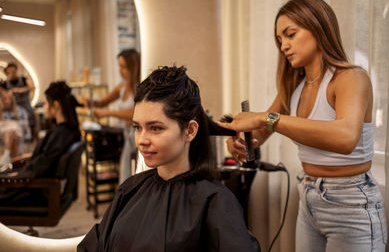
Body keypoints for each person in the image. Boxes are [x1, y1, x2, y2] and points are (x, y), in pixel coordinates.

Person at [220, 0, 387, 252]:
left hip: (351, 203)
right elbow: (259, 134)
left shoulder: (351, 78)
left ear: (318, 27)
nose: (284, 46)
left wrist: (265, 117)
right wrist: (240, 143)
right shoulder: (293, 87)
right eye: (280, 40)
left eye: (290, 34)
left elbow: (345, 138)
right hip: (309, 199)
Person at [77, 66, 260, 252]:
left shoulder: (215, 202)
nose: (142, 140)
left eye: (155, 128)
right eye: (137, 128)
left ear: (190, 130)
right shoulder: (130, 189)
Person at [0, 81, 81, 205]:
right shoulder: (69, 131)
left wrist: (16, 175)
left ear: (56, 105)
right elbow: (48, 158)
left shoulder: (60, 134)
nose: (43, 106)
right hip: (38, 188)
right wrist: (30, 158)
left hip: (35, 192)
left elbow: (40, 168)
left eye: (45, 103)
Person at [84, 49, 140, 184]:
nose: (120, 70)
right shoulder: (122, 86)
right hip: (127, 135)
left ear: (133, 67)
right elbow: (103, 102)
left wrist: (108, 113)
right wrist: (92, 102)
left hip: (136, 135)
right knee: (126, 173)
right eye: (119, 66)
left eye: (124, 67)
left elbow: (136, 112)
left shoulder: (139, 87)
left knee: (130, 174)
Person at [1, 62, 37, 142]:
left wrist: (21, 90)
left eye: (13, 72)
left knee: (31, 123)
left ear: (16, 70)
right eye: (9, 72)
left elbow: (32, 86)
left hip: (26, 106)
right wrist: (8, 93)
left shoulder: (24, 79)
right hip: (14, 109)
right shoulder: (5, 84)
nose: (11, 74)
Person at [0, 91, 31, 169]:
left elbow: (24, 125)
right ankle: (14, 162)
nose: (6, 101)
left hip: (17, 131)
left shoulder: (20, 111)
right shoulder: (1, 111)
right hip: (5, 132)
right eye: (5, 99)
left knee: (12, 131)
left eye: (8, 99)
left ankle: (6, 156)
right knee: (11, 134)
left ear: (12, 100)